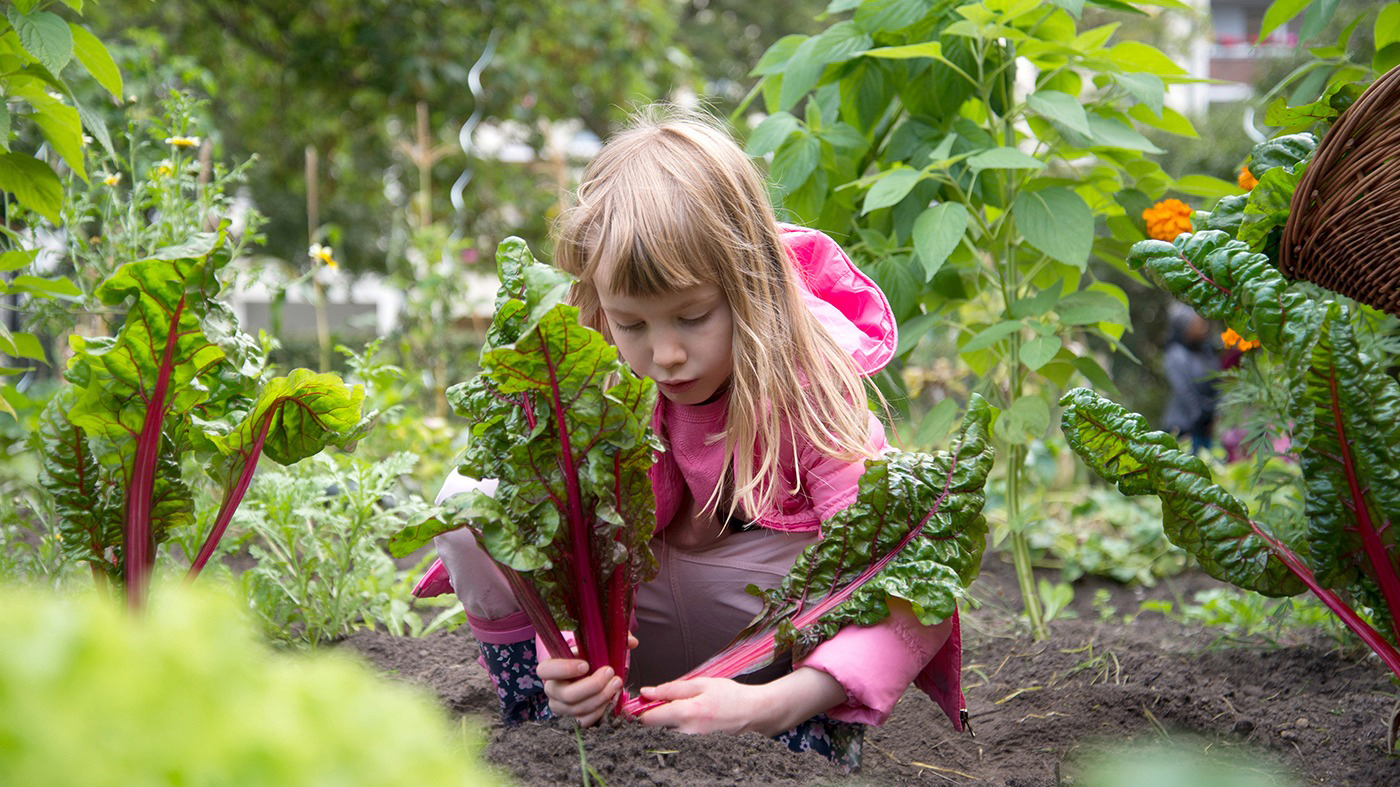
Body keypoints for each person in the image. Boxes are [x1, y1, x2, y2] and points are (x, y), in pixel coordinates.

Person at [414, 108, 963, 769]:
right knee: (472, 497)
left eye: (692, 316)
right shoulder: (583, 374)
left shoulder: (811, 384)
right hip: (636, 646)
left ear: (750, 286)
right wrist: (559, 649)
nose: (665, 353)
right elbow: (551, 540)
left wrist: (772, 703)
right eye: (633, 323)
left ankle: (809, 738)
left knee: (891, 531)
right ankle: (541, 718)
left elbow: (909, 580)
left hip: (765, 677)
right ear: (599, 304)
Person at [1161, 301, 1218, 455]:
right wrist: (1203, 414)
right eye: (1198, 323)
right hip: (1183, 428)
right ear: (1184, 327)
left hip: (1206, 428)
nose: (1204, 326)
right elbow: (1185, 391)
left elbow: (1218, 384)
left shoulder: (1207, 352)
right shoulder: (1175, 354)